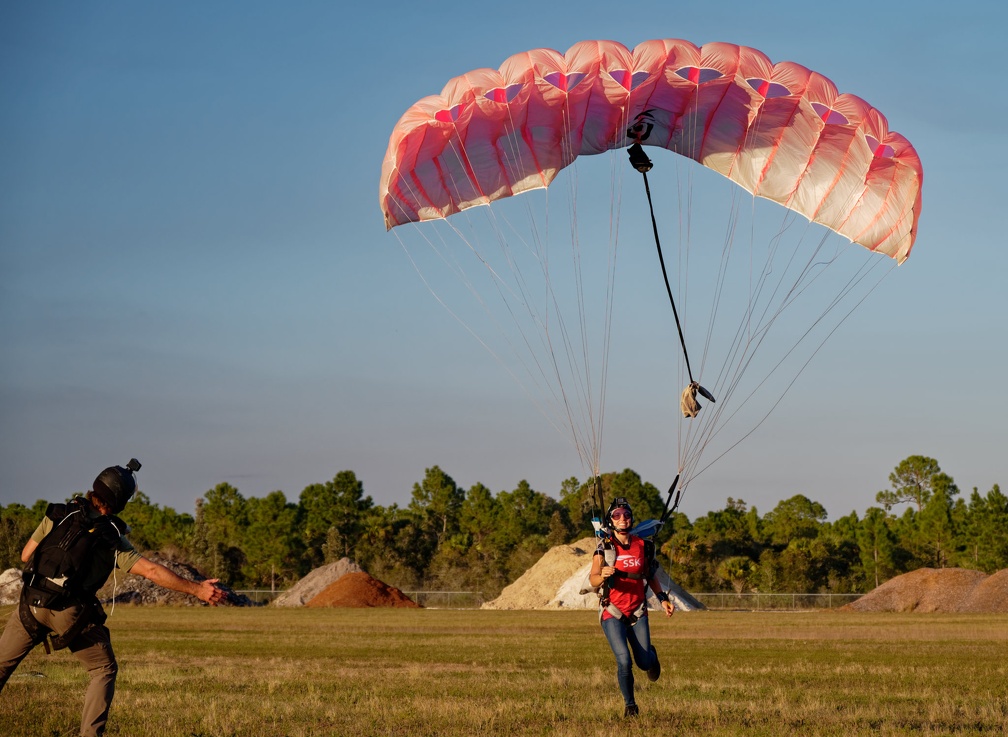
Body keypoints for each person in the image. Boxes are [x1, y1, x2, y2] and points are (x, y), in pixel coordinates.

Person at [0, 459, 226, 737]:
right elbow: (153, 571)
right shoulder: (111, 537)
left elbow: (25, 555)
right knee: (103, 669)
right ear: (120, 502)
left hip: (30, 604)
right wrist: (198, 589)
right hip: (68, 614)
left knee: (2, 664)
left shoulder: (59, 513)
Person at [587, 497, 675, 718]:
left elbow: (649, 576)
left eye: (626, 514)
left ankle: (651, 656)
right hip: (612, 610)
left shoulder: (643, 546)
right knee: (624, 660)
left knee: (644, 663)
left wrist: (662, 598)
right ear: (611, 521)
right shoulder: (604, 548)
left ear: (631, 518)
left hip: (637, 610)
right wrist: (602, 575)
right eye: (617, 515)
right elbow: (593, 579)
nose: (623, 519)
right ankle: (630, 706)